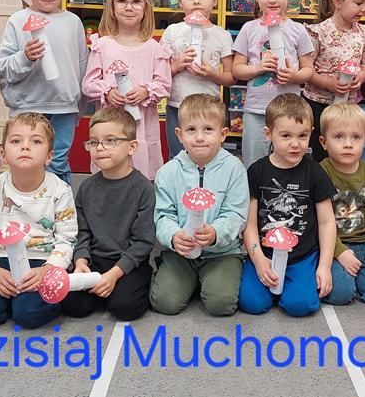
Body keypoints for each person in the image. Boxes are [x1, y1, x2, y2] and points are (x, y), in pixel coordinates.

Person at [0, 113, 77, 328]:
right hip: (1, 258)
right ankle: (6, 300)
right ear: (3, 154)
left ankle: (24, 302)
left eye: (36, 141)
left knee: (28, 314)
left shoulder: (60, 190)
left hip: (41, 261)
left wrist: (49, 269)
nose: (25, 147)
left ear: (49, 156)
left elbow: (66, 240)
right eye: (16, 141)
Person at [150, 94, 249, 316]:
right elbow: (163, 215)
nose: (200, 137)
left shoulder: (234, 168)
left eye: (208, 129)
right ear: (179, 135)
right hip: (180, 253)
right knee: (165, 303)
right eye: (191, 130)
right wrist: (174, 236)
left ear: (223, 134)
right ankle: (186, 279)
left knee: (221, 304)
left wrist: (216, 233)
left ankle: (209, 281)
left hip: (222, 252)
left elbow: (236, 213)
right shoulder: (167, 172)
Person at [238, 94, 336, 317]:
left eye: (302, 136)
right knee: (252, 303)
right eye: (285, 136)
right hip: (264, 253)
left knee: (299, 305)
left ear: (311, 133)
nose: (295, 144)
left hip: (302, 257)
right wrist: (258, 260)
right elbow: (249, 224)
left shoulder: (315, 172)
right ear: (268, 134)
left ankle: (293, 288)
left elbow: (327, 222)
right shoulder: (256, 172)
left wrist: (324, 266)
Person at [0, 0, 89, 185]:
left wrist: (80, 107)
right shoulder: (18, 20)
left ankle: (60, 205)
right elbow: (5, 68)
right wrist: (25, 56)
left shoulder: (73, 22)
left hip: (64, 108)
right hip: (27, 107)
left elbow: (82, 66)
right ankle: (24, 202)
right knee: (26, 160)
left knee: (57, 161)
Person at [63, 107, 156, 321]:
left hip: (127, 263)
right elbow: (82, 232)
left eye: (110, 141)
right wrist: (81, 261)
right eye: (93, 142)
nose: (100, 148)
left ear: (132, 147)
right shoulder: (86, 188)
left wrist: (114, 274)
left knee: (125, 308)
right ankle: (102, 289)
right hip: (95, 260)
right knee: (72, 305)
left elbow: (143, 242)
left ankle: (121, 287)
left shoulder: (143, 189)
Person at [82, 0, 172, 179]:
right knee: (108, 176)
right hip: (110, 128)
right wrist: (108, 92)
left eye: (136, 1)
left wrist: (145, 91)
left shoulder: (154, 48)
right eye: (122, 1)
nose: (129, 7)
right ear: (112, 6)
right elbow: (88, 84)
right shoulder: (102, 45)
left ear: (146, 7)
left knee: (140, 178)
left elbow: (164, 85)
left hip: (142, 128)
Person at [231, 0, 315, 165]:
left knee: (289, 162)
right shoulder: (249, 29)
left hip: (289, 112)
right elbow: (237, 69)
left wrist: (295, 76)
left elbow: (308, 70)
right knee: (254, 164)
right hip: (256, 111)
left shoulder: (298, 30)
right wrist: (258, 67)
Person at [317, 104, 365, 305]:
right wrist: (339, 252)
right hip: (331, 244)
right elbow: (318, 222)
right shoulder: (320, 172)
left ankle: (357, 279)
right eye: (339, 137)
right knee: (341, 294)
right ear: (324, 142)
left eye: (356, 137)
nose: (348, 144)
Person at [161, 0, 235, 158]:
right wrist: (176, 65)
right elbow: (158, 73)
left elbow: (230, 78)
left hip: (209, 110)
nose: (196, 1)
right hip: (177, 107)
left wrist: (213, 74)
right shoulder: (172, 31)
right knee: (178, 157)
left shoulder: (222, 35)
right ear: (179, 1)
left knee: (207, 157)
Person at [304, 0, 365, 162]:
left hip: (348, 107)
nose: (364, 8)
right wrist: (328, 83)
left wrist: (362, 76)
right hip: (318, 105)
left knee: (346, 153)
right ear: (337, 1)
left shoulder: (364, 33)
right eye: (358, 3)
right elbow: (306, 70)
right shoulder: (319, 32)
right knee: (321, 156)